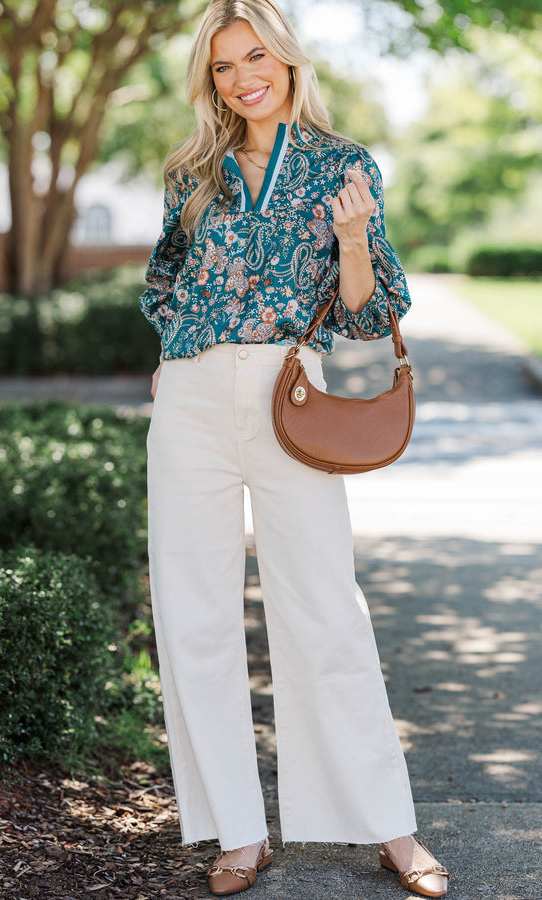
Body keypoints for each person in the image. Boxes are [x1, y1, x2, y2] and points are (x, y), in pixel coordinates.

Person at [139, 1, 450, 896]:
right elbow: (164, 280)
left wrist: (352, 238)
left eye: (257, 56)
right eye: (225, 66)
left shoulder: (343, 165)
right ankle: (238, 832)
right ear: (211, 80)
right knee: (192, 613)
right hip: (192, 396)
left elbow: (368, 315)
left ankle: (389, 828)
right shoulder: (190, 170)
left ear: (287, 59)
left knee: (324, 609)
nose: (244, 77)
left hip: (289, 390)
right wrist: (174, 356)